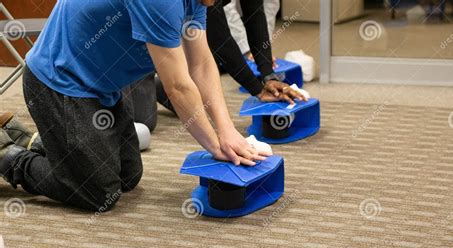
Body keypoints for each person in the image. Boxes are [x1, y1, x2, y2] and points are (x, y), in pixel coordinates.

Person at [0, 0, 269, 212]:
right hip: (58, 82)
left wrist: (227, 130)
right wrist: (215, 146)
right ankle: (7, 155)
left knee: (128, 176)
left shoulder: (197, 1)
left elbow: (200, 63)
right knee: (99, 192)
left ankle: (33, 140)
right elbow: (177, 87)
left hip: (102, 86)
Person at [155, 0, 305, 115]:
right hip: (148, 25)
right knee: (149, 119)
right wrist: (257, 88)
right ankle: (156, 80)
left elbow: (255, 16)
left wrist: (268, 76)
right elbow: (219, 38)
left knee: (199, 90)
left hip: (179, 20)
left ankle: (166, 78)